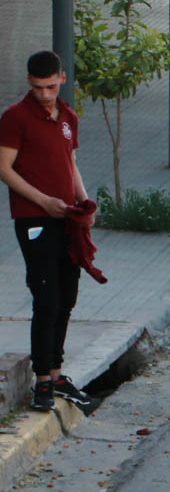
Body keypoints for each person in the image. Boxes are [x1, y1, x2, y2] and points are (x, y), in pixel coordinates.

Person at [0, 51, 97, 413]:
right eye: (39, 87)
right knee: (46, 298)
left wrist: (84, 202)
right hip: (34, 220)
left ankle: (56, 373)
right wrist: (43, 201)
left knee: (67, 296)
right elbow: (4, 168)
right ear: (29, 81)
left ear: (62, 79)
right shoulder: (15, 117)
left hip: (66, 218)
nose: (45, 94)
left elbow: (70, 161)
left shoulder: (68, 116)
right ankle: (42, 379)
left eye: (51, 87)